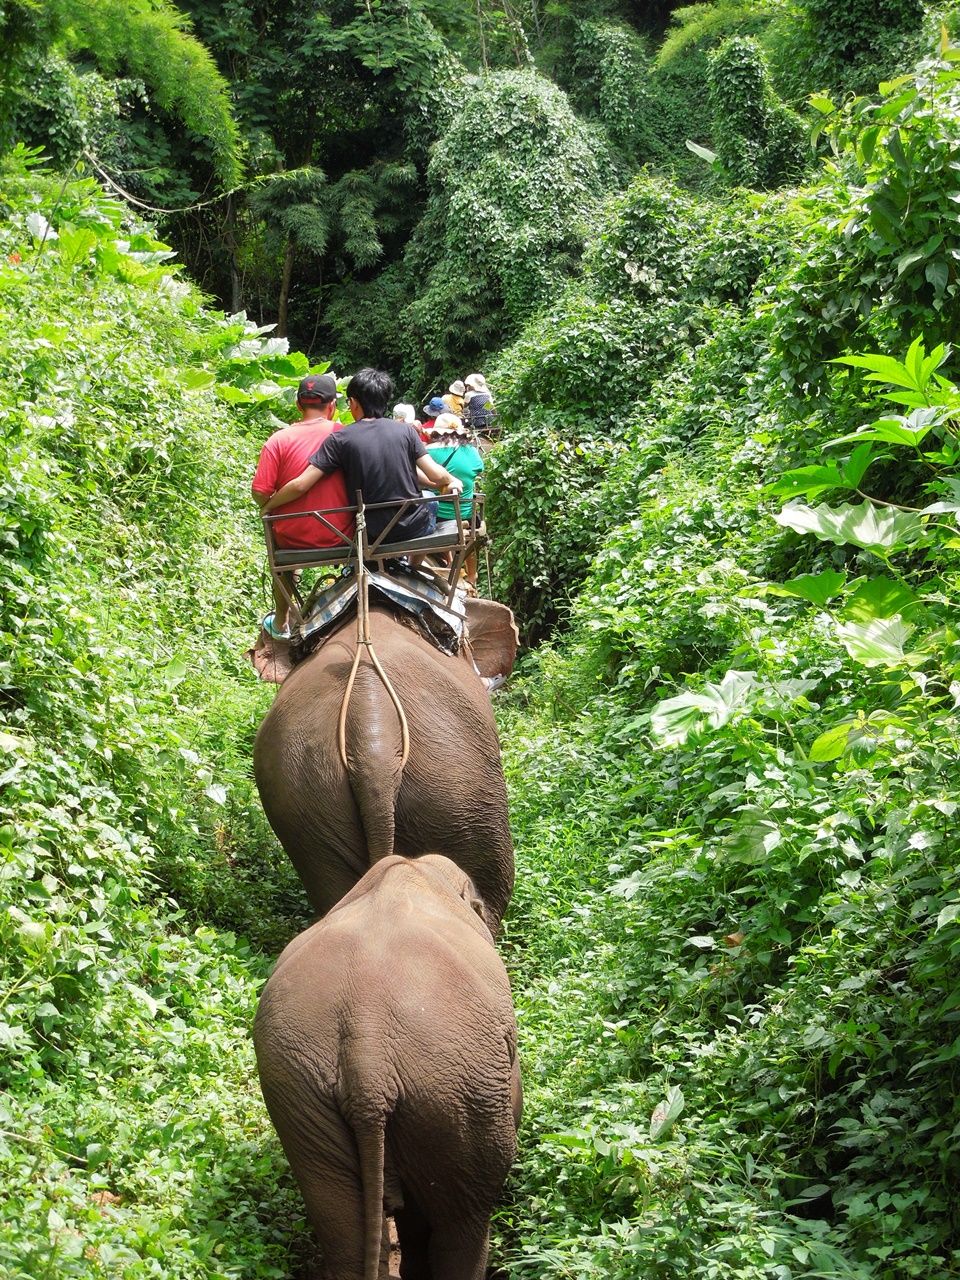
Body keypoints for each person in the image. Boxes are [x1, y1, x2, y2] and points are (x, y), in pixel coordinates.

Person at [262, 367, 462, 546]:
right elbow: (435, 475)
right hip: (411, 527)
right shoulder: (406, 432)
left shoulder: (340, 439)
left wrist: (269, 505)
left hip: (369, 532)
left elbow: (300, 485)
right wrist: (452, 480)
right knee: (429, 499)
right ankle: (415, 567)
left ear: (354, 403)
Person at [252, 373, 352, 639]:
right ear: (333, 406)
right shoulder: (344, 435)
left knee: (278, 550)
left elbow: (259, 491)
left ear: (298, 404)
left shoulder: (278, 440)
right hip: (344, 534)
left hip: (292, 540)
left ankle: (282, 620)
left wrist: (270, 505)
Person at [425, 412, 485, 588]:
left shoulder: (427, 452)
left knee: (436, 510)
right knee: (473, 528)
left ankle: (449, 560)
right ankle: (472, 577)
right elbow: (478, 470)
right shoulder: (472, 452)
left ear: (437, 432)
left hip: (435, 517)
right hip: (463, 515)